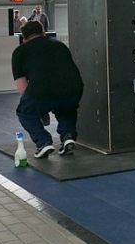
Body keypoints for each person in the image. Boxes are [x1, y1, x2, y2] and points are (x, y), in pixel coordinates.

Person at [12, 20, 84, 158]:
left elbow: (22, 86)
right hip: (73, 89)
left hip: (42, 91)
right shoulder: (59, 45)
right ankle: (68, 136)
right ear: (43, 33)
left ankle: (43, 142)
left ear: (24, 38)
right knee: (66, 109)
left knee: (25, 113)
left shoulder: (20, 51)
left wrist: (38, 109)